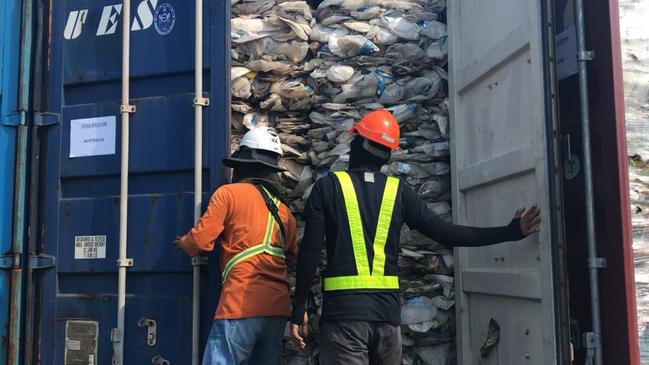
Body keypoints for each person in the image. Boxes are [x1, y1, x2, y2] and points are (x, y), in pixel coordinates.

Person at [289, 110, 541, 365]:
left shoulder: (327, 187)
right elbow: (446, 233)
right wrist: (510, 231)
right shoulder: (398, 192)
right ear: (387, 154)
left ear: (359, 143)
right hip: (387, 321)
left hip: (344, 320)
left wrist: (299, 311)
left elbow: (310, 250)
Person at [174, 127, 298, 365]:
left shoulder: (229, 194)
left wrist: (183, 243)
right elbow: (290, 256)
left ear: (242, 164)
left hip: (240, 304)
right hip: (277, 309)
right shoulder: (284, 210)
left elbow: (199, 242)